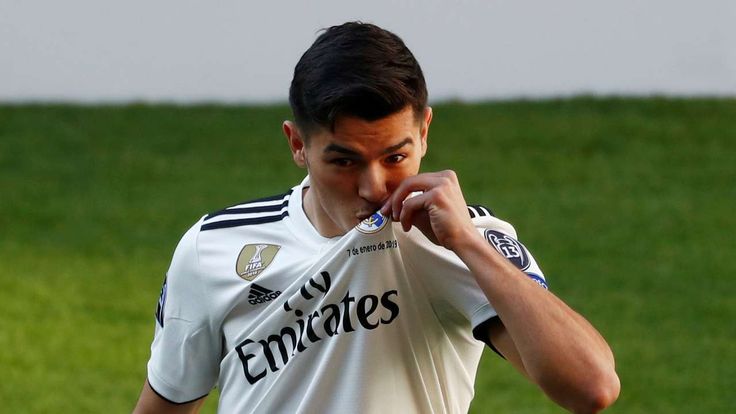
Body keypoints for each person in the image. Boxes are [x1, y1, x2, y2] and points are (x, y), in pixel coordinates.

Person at [133, 21, 620, 414]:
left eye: (395, 156)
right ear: (297, 144)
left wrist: (470, 245)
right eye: (344, 162)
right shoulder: (214, 248)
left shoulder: (460, 242)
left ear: (424, 132)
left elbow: (591, 388)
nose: (373, 187)